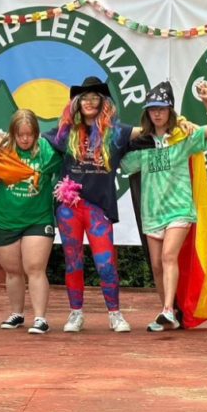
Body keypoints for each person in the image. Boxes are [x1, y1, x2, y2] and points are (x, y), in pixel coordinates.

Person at [120, 81, 207, 331]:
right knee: (155, 265)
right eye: (152, 108)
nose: (157, 113)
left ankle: (167, 309)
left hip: (179, 209)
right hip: (152, 213)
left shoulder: (184, 138)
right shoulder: (142, 145)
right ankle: (169, 311)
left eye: (162, 108)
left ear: (170, 111)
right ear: (147, 112)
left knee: (168, 256)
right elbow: (122, 164)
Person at [44, 76, 139, 334]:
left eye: (94, 97)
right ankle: (76, 313)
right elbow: (29, 140)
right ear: (77, 102)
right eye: (84, 97)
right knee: (72, 261)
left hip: (99, 208)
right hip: (68, 207)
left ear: (103, 102)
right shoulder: (65, 132)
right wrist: (3, 138)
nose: (88, 101)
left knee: (105, 263)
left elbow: (151, 131)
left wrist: (181, 125)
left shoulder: (117, 132)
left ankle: (115, 314)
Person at [0, 110, 62, 334]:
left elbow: (66, 161)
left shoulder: (46, 150)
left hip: (38, 218)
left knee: (34, 268)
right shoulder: (3, 148)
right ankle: (17, 313)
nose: (24, 139)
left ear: (36, 133)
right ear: (13, 133)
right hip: (6, 217)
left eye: (29, 134)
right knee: (12, 271)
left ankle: (40, 318)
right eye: (20, 134)